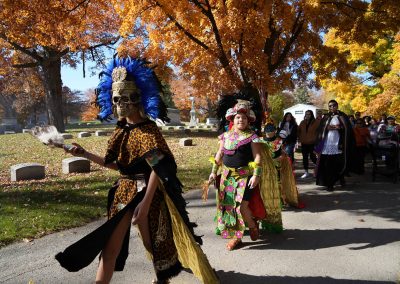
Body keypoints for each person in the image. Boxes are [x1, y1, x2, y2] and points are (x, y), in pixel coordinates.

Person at [55, 57, 218, 284]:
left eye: (126, 97)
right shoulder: (121, 130)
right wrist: (84, 154)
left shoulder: (148, 132)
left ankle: (163, 277)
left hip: (147, 191)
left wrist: (147, 202)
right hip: (123, 192)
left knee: (153, 240)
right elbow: (118, 167)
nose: (121, 103)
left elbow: (157, 169)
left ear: (138, 98)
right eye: (117, 98)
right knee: (111, 246)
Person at [209, 91, 282, 251]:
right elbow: (220, 154)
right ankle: (238, 237)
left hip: (245, 177)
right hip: (227, 177)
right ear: (232, 120)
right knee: (229, 207)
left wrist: (256, 175)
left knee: (241, 207)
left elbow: (257, 157)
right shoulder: (225, 136)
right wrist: (214, 171)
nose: (240, 119)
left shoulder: (253, 136)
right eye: (237, 117)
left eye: (243, 117)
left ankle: (251, 226)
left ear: (248, 120)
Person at [315, 100, 355, 191]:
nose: (332, 107)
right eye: (330, 106)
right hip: (327, 142)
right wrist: (326, 128)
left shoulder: (342, 115)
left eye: (333, 105)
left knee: (338, 163)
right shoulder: (326, 116)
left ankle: (340, 178)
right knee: (327, 164)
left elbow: (347, 128)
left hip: (338, 143)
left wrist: (340, 127)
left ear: (337, 106)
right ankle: (330, 184)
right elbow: (321, 129)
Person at [264, 123, 303, 208]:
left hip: (277, 165)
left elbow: (282, 154)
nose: (269, 134)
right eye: (267, 133)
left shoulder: (279, 141)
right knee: (266, 183)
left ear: (275, 132)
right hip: (265, 166)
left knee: (278, 183)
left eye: (271, 132)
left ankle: (281, 200)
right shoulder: (261, 141)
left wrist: (277, 159)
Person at [297, 110, 320, 178]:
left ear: (311, 115)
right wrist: (300, 138)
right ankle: (306, 172)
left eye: (309, 114)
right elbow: (298, 130)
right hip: (304, 143)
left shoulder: (316, 122)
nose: (307, 115)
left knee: (313, 157)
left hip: (312, 143)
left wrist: (317, 139)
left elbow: (320, 131)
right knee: (305, 158)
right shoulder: (302, 122)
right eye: (306, 114)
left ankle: (320, 168)